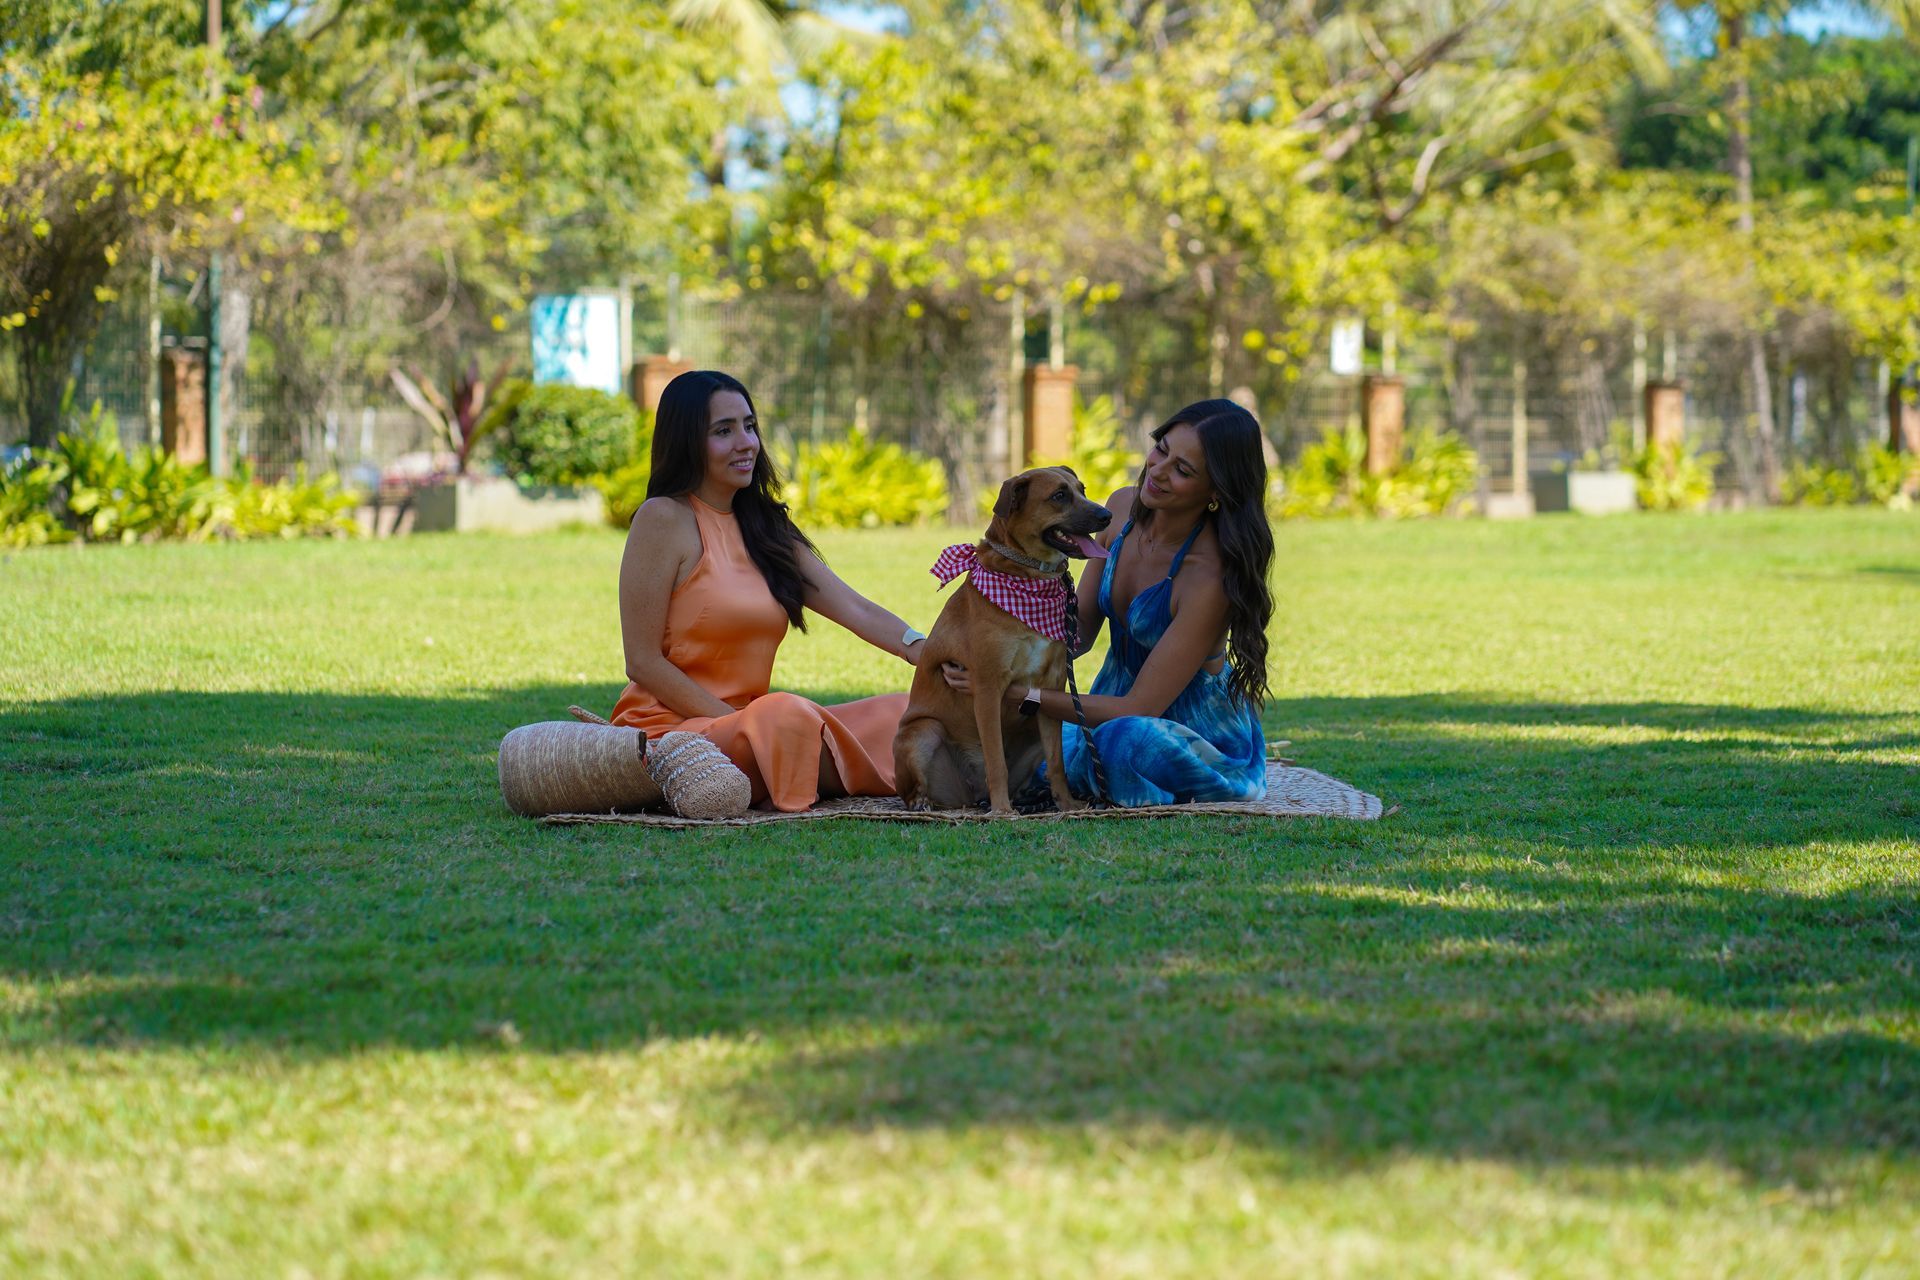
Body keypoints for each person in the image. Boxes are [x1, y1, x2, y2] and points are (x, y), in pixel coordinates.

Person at [609, 370, 924, 811]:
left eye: (749, 426)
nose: (746, 443)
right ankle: (835, 763)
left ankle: (801, 758)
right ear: (686, 442)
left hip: (757, 728)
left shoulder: (766, 529)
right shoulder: (662, 519)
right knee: (785, 714)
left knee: (910, 712)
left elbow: (855, 608)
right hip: (676, 734)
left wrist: (927, 651)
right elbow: (642, 661)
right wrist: (742, 721)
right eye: (724, 431)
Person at [944, 399, 1275, 806]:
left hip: (1186, 736)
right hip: (1104, 711)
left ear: (1216, 491)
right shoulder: (1120, 510)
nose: (1158, 470)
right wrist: (991, 635)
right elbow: (1077, 633)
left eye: (1183, 470)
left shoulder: (1209, 577)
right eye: (1161, 450)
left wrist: (1021, 696)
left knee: (1122, 742)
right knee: (1024, 752)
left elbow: (1140, 706)